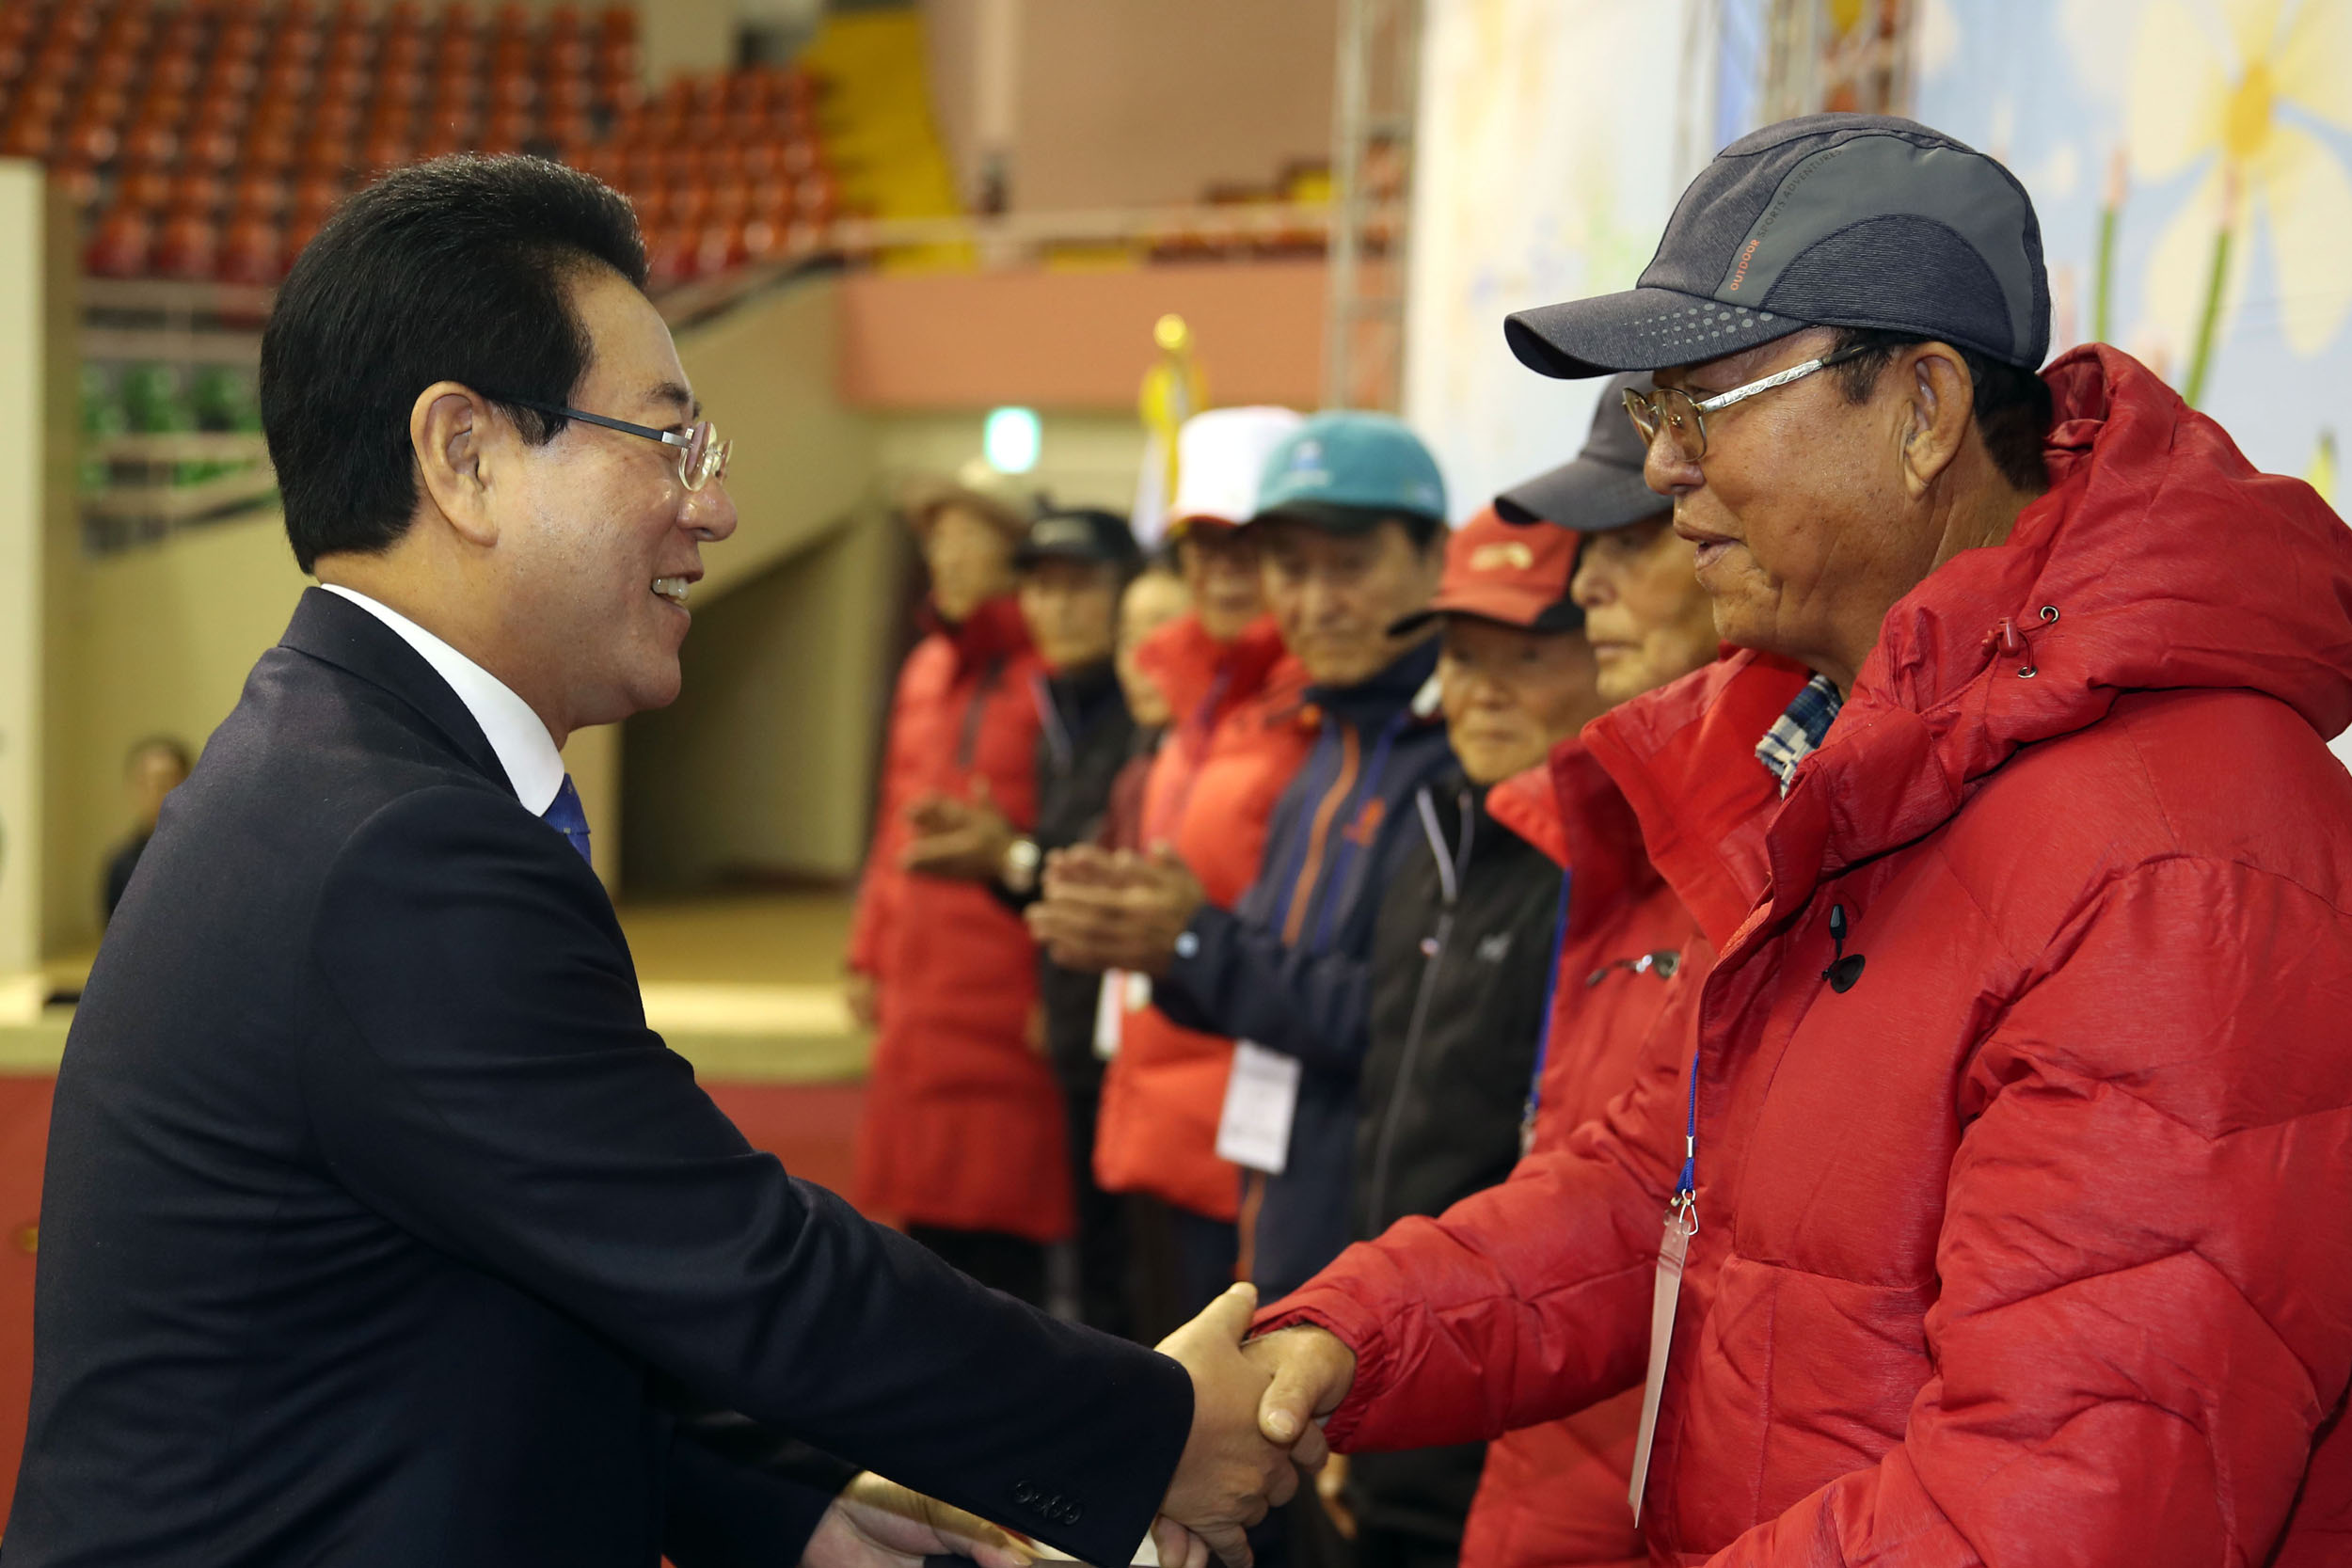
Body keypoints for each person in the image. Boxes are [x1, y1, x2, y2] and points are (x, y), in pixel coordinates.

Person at [7, 155, 1309, 1568]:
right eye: (671, 443)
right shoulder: (399, 844)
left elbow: (487, 1294)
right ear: (464, 457)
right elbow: (745, 1259)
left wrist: (788, 1504)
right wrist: (1159, 1428)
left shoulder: (333, 768)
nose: (717, 508)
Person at [1238, 112, 2352, 1565]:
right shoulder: (1861, 760)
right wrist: (1340, 1338)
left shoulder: (2178, 866)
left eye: (1701, 405)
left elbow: (2060, 1504)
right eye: (1652, 414)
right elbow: (1665, 1191)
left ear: (1923, 406)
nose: (1662, 471)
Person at [1442, 387, 1796, 1568]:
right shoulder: (1615, 820)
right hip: (1556, 1447)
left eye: (1639, 529)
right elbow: (1602, 1186)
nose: (1582, 582)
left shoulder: (1784, 840)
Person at [1028, 411, 1454, 1307]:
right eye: (1291, 570)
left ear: (1434, 558)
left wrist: (1188, 942)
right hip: (1277, 1198)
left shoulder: (1460, 759)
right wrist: (1158, 930)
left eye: (1350, 566)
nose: (1316, 600)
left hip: (1394, 1253)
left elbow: (1412, 1030)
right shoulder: (1326, 733)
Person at [1324, 504, 1608, 1568]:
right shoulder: (1437, 833)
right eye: (1462, 653)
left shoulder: (1614, 878)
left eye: (1525, 654)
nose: (1481, 686)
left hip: (1518, 1403)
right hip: (1395, 1363)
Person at [1091, 407, 1313, 1324]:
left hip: (1255, 1137)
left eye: (1245, 546)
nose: (1220, 571)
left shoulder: (1307, 711)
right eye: (1199, 546)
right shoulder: (1196, 704)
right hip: (1167, 1107)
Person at [901, 506, 1145, 1335]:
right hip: (1079, 1025)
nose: (1057, 607)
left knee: (1126, 1274)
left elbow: (1110, 875)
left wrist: (1012, 860)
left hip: (1144, 1038)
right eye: (1041, 585)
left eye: (1081, 586)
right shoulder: (1060, 706)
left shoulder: (1139, 712)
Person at [848, 467, 1071, 1308]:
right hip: (921, 981)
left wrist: (1064, 980)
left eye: (963, 535)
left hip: (1008, 992)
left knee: (1009, 1233)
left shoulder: (1049, 672)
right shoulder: (928, 668)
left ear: (1013, 552)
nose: (942, 553)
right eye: (935, 536)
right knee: (928, 1220)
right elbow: (891, 821)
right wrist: (866, 950)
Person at [102, 735, 192, 924]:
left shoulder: (210, 856)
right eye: (146, 782)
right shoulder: (121, 866)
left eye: (166, 782)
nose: (156, 792)